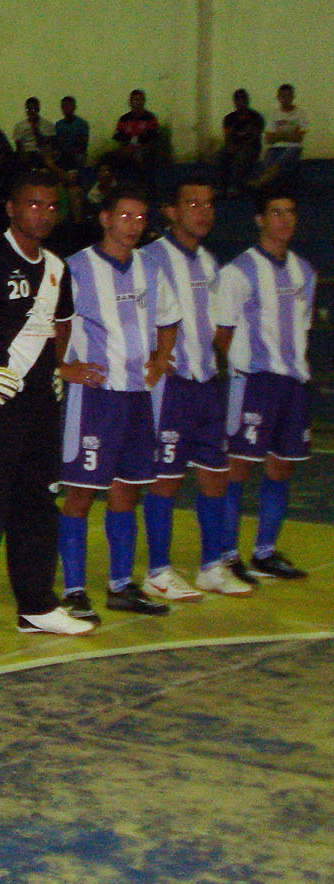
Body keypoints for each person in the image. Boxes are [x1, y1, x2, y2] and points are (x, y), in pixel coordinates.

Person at [0, 169, 93, 650]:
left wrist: (57, 369)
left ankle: (37, 606)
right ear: (12, 208)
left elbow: (59, 325)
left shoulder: (57, 267)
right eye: (33, 204)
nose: (44, 214)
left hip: (40, 407)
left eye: (52, 206)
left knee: (38, 502)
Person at [56, 186, 180, 621]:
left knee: (128, 490)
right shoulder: (75, 268)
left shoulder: (150, 267)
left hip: (137, 399)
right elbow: (52, 322)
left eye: (140, 217)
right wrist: (63, 367)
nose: (133, 225)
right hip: (93, 398)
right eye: (124, 216)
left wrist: (161, 359)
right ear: (105, 218)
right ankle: (72, 590)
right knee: (80, 493)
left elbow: (169, 318)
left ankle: (120, 585)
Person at [138, 177, 252, 601]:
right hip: (170, 388)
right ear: (171, 211)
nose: (203, 211)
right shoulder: (149, 259)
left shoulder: (209, 262)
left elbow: (218, 324)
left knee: (214, 477)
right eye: (192, 203)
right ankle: (158, 571)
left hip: (207, 384)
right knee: (165, 480)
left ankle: (210, 567)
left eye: (208, 203)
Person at [215, 190, 313, 582]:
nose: (284, 220)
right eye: (275, 213)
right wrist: (242, 368)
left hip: (293, 381)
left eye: (290, 212)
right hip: (254, 381)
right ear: (259, 219)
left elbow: (301, 327)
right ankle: (226, 552)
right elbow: (221, 331)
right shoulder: (239, 271)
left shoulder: (304, 271)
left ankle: (265, 551)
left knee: (281, 465)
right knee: (238, 466)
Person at [216, 89, 264, 195]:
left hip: (251, 147)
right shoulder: (229, 118)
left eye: (242, 99)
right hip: (233, 146)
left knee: (241, 156)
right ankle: (219, 187)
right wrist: (230, 146)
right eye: (237, 100)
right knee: (219, 155)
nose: (240, 102)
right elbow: (227, 136)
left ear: (247, 100)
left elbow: (254, 137)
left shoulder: (256, 117)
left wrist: (239, 147)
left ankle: (234, 186)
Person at [257, 83, 307, 186]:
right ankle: (270, 183)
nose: (286, 99)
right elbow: (269, 139)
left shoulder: (300, 113)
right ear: (278, 97)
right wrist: (290, 135)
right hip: (275, 147)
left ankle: (264, 180)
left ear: (293, 97)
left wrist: (278, 135)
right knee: (268, 161)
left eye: (288, 96)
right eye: (283, 96)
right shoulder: (274, 114)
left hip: (293, 147)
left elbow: (299, 138)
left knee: (282, 159)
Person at [111, 89, 161, 182]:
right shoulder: (124, 119)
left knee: (140, 156)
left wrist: (141, 146)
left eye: (140, 100)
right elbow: (118, 137)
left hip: (145, 148)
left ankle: (144, 184)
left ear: (144, 101)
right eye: (135, 100)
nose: (138, 102)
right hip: (127, 148)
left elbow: (154, 137)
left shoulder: (150, 118)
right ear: (130, 102)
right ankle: (117, 184)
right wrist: (127, 145)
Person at [54, 95, 90, 170]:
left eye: (67, 106)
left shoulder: (82, 124)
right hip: (63, 154)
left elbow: (82, 145)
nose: (65, 109)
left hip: (76, 154)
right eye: (63, 106)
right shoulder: (58, 125)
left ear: (74, 107)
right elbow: (57, 143)